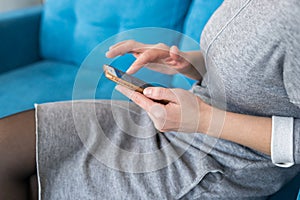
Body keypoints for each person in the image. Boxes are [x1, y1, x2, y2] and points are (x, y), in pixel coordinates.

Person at [0, 0, 299, 199]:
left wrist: (205, 119)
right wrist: (185, 62)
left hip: (218, 161)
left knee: (40, 184)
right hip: (180, 123)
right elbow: (254, 74)